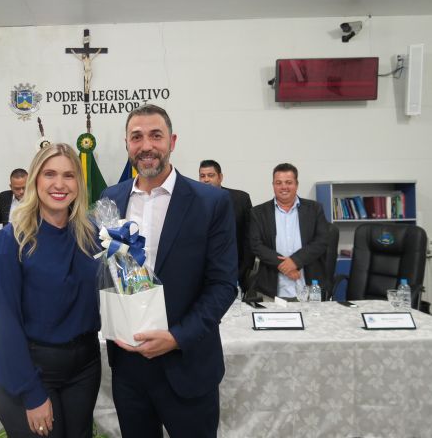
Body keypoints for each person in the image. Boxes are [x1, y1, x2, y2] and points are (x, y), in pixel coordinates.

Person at [101, 104, 237, 438]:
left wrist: (177, 338)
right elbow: (106, 272)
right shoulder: (110, 199)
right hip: (129, 369)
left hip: (187, 364)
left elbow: (222, 285)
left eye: (156, 135)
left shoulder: (210, 202)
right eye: (137, 137)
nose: (146, 145)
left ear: (172, 141)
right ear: (127, 144)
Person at [0, 144, 100, 438]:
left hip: (85, 368)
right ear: (35, 179)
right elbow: (5, 324)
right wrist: (31, 393)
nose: (59, 184)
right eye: (50, 174)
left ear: (79, 183)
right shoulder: (13, 239)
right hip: (33, 370)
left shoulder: (92, 235)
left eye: (69, 175)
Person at [249, 163, 330, 299]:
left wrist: (295, 261)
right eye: (278, 183)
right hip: (271, 289)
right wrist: (284, 266)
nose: (284, 187)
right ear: (273, 185)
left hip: (309, 287)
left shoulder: (315, 209)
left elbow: (322, 240)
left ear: (296, 184)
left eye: (288, 182)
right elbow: (256, 245)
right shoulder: (258, 212)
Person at [198, 159, 254, 293]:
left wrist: (242, 271)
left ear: (220, 177)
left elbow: (249, 239)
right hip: (202, 275)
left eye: (211, 175)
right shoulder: (193, 201)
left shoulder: (241, 199)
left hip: (236, 272)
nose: (206, 180)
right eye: (202, 176)